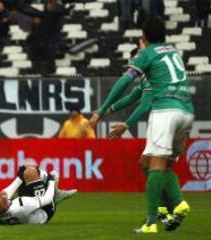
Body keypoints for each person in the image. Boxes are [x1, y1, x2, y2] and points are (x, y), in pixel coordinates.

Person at [89, 17, 194, 233]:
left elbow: (127, 83)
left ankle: (152, 221)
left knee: (154, 166)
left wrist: (106, 114)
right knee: (154, 164)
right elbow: (131, 97)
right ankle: (176, 205)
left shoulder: (146, 54)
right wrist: (107, 111)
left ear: (144, 38)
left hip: (166, 111)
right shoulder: (172, 52)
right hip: (186, 110)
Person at [0, 165, 77, 225]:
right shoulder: (22, 204)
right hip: (45, 210)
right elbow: (46, 199)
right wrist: (51, 181)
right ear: (6, 205)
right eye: (1, 196)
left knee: (26, 172)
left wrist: (20, 178)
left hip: (28, 212)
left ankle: (53, 190)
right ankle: (56, 195)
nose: (0, 193)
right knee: (31, 172)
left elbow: (4, 196)